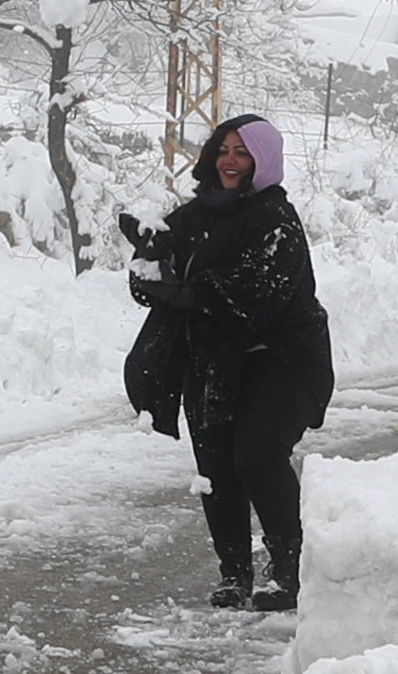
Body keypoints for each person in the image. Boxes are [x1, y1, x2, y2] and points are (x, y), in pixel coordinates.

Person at [128, 112, 333, 612]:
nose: (230, 161)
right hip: (216, 358)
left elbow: (257, 295)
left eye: (243, 152)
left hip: (281, 358)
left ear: (263, 161)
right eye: (223, 149)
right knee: (216, 465)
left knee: (258, 455)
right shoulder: (198, 215)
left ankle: (288, 569)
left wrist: (188, 294)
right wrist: (149, 255)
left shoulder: (275, 219)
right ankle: (234, 573)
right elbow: (154, 270)